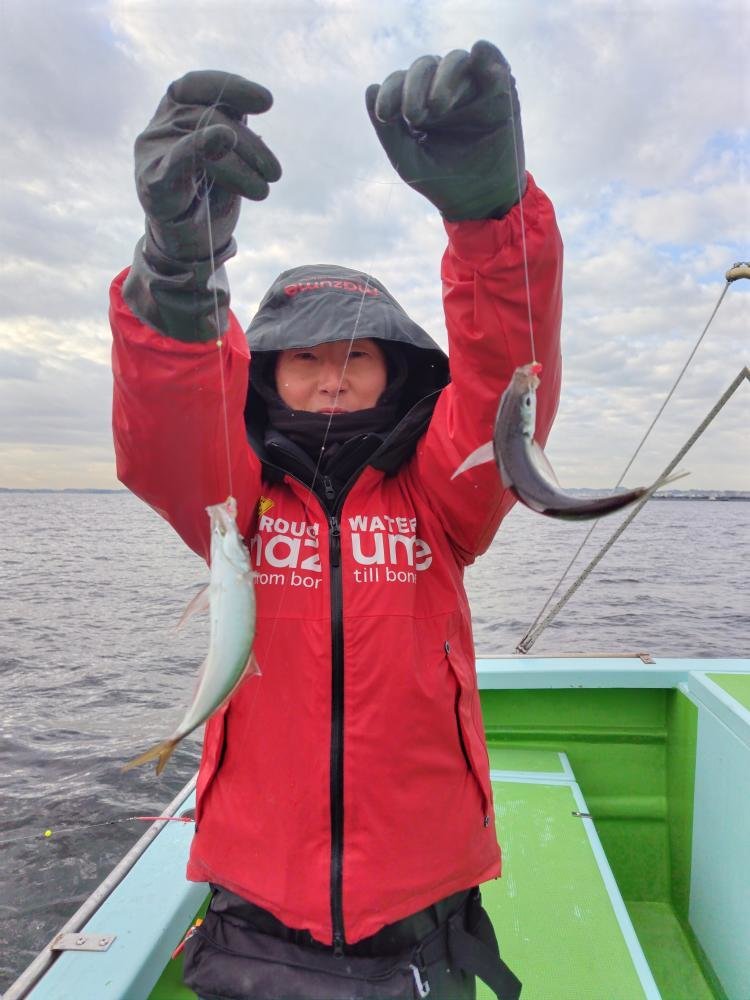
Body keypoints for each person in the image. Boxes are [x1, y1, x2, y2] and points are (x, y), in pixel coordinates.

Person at [110, 40, 562, 1000]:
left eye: (356, 356)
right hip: (254, 905)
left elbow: (504, 384)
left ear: (396, 371)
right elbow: (172, 425)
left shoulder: (439, 494)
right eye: (303, 359)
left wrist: (493, 225)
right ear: (266, 376)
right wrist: (176, 278)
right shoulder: (238, 499)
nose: (329, 377)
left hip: (425, 909)